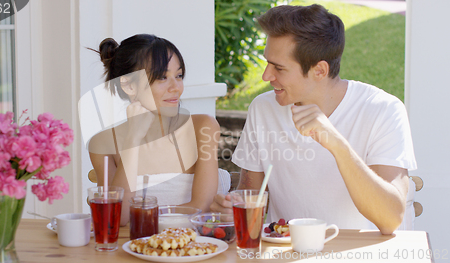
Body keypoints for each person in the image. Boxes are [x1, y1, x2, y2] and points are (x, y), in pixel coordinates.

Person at [210, 4, 416, 234]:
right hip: (285, 252)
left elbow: (391, 218)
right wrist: (232, 206)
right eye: (267, 62)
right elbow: (250, 192)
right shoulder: (263, 108)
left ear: (319, 70)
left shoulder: (383, 110)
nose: (266, 76)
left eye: (279, 68)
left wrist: (336, 144)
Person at [85, 34, 223, 226]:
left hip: (194, 247)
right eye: (162, 77)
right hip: (133, 248)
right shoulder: (102, 142)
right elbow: (116, 219)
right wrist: (132, 141)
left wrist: (143, 216)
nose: (176, 87)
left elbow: (202, 207)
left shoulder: (203, 127)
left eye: (179, 75)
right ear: (128, 85)